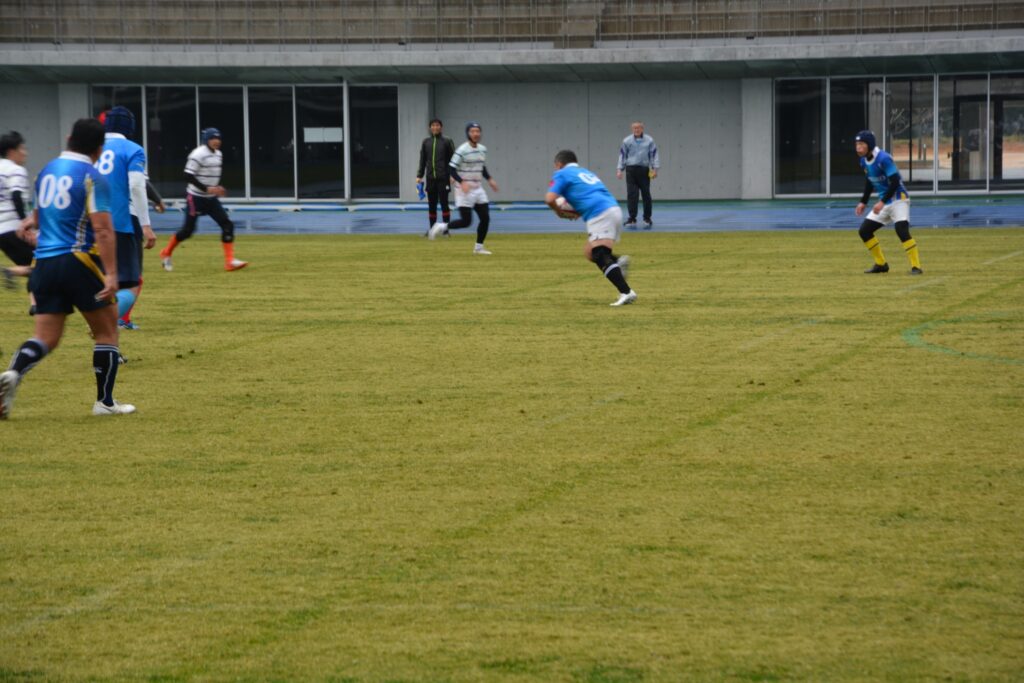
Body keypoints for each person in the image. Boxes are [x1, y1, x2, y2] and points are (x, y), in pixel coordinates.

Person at [0, 118, 135, 418]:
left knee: (45, 337)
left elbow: (37, 215)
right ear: (98, 149)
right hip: (78, 260)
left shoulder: (47, 171)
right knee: (107, 330)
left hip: (43, 264)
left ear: (69, 138)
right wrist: (112, 274)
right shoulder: (92, 177)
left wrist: (28, 223)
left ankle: (13, 373)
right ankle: (105, 402)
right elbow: (103, 229)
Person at [545, 150, 637, 306]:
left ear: (559, 164)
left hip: (600, 213)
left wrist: (559, 211)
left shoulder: (562, 174)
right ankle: (617, 261)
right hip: (613, 209)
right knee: (590, 252)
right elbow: (585, 196)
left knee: (599, 254)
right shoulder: (585, 172)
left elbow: (549, 199)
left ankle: (626, 292)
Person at [96, 107, 157, 332]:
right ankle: (110, 321)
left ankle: (108, 327)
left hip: (91, 222)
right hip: (122, 222)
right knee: (132, 281)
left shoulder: (92, 148)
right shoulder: (133, 149)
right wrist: (146, 225)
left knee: (103, 277)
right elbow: (137, 186)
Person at [159, 127, 247, 272]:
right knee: (188, 231)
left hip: (211, 199)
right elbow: (187, 175)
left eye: (218, 138)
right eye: (213, 138)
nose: (216, 141)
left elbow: (209, 174)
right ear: (206, 140)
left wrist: (216, 188)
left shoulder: (218, 154)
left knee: (227, 225)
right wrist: (206, 188)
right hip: (195, 197)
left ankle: (229, 261)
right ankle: (166, 252)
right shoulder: (198, 154)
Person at [854, 130, 923, 275]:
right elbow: (869, 181)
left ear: (869, 144)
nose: (858, 147)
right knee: (864, 231)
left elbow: (895, 182)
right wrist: (863, 202)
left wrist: (881, 202)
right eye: (857, 144)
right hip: (884, 202)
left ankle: (916, 267)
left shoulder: (884, 158)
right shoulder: (863, 161)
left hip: (899, 199)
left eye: (861, 144)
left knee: (901, 230)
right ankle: (881, 264)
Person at [427, 122, 499, 254]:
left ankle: (478, 248)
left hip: (478, 188)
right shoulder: (462, 150)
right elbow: (451, 168)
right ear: (468, 133)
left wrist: (489, 179)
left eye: (477, 131)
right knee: (466, 222)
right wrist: (462, 182)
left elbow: (481, 166)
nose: (476, 134)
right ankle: (441, 226)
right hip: (464, 190)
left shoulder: (482, 149)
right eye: (472, 131)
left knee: (485, 218)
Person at [0, 131, 37, 297]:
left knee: (33, 267)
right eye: (22, 148)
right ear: (11, 151)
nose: (25, 153)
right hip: (14, 227)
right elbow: (16, 195)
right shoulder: (16, 170)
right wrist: (25, 224)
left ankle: (35, 305)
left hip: (2, 232)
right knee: (43, 265)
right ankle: (12, 271)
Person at [616, 121, 660, 230]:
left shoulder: (649, 140)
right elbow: (622, 155)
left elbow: (654, 154)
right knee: (632, 195)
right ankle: (632, 218)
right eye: (635, 128)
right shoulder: (627, 141)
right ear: (632, 129)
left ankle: (647, 218)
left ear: (642, 129)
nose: (637, 130)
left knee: (646, 194)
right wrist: (619, 169)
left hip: (644, 170)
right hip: (631, 170)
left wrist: (655, 169)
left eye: (639, 128)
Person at [415, 118, 455, 237]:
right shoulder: (426, 142)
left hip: (444, 178)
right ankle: (432, 230)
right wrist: (419, 175)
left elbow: (454, 159)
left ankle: (445, 230)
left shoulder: (447, 141)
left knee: (444, 205)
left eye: (437, 125)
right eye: (433, 125)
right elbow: (422, 160)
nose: (435, 127)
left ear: (441, 127)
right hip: (430, 178)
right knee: (431, 206)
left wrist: (453, 174)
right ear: (430, 128)